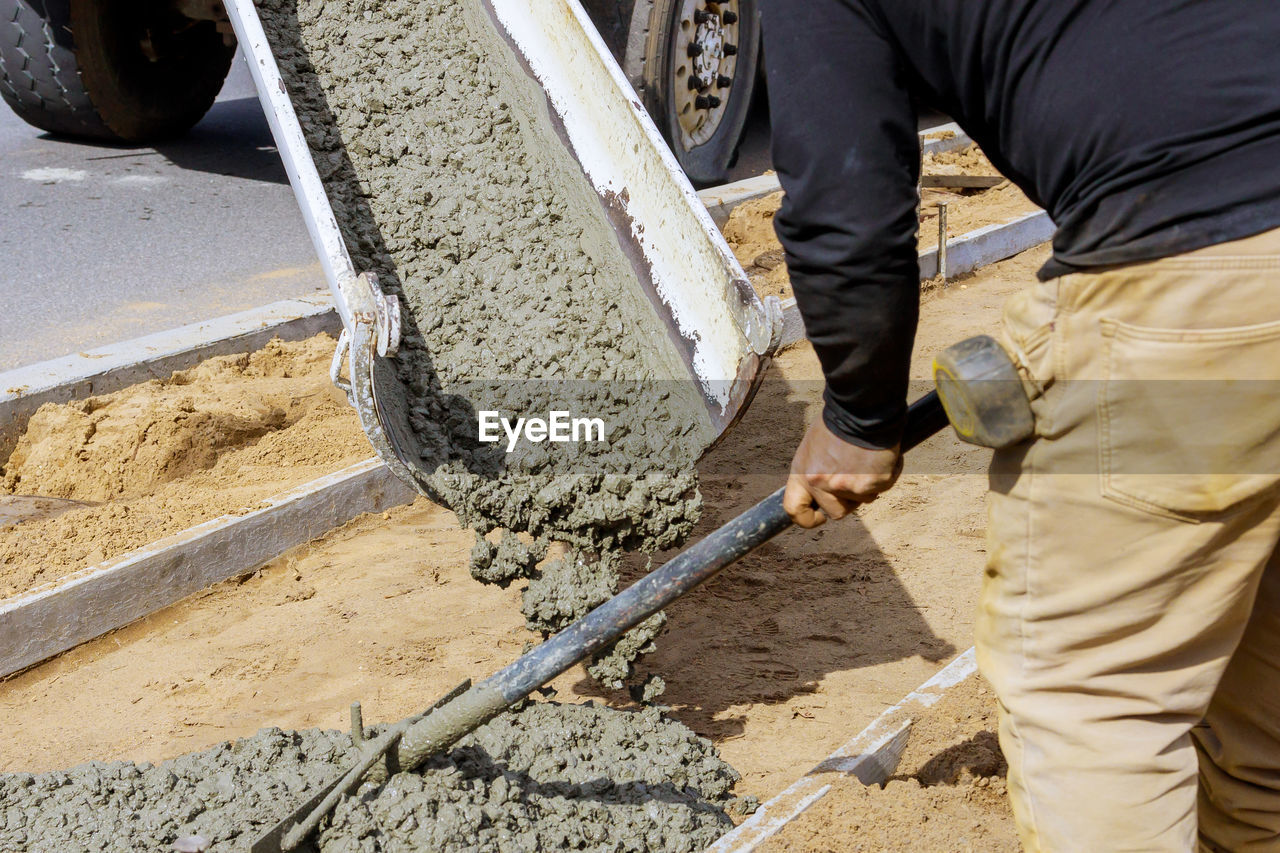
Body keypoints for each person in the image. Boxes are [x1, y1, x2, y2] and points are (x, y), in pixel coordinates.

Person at [763, 2, 1280, 850]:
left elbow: (846, 200)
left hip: (1192, 257)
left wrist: (858, 418)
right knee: (1262, 704)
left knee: (1093, 692)